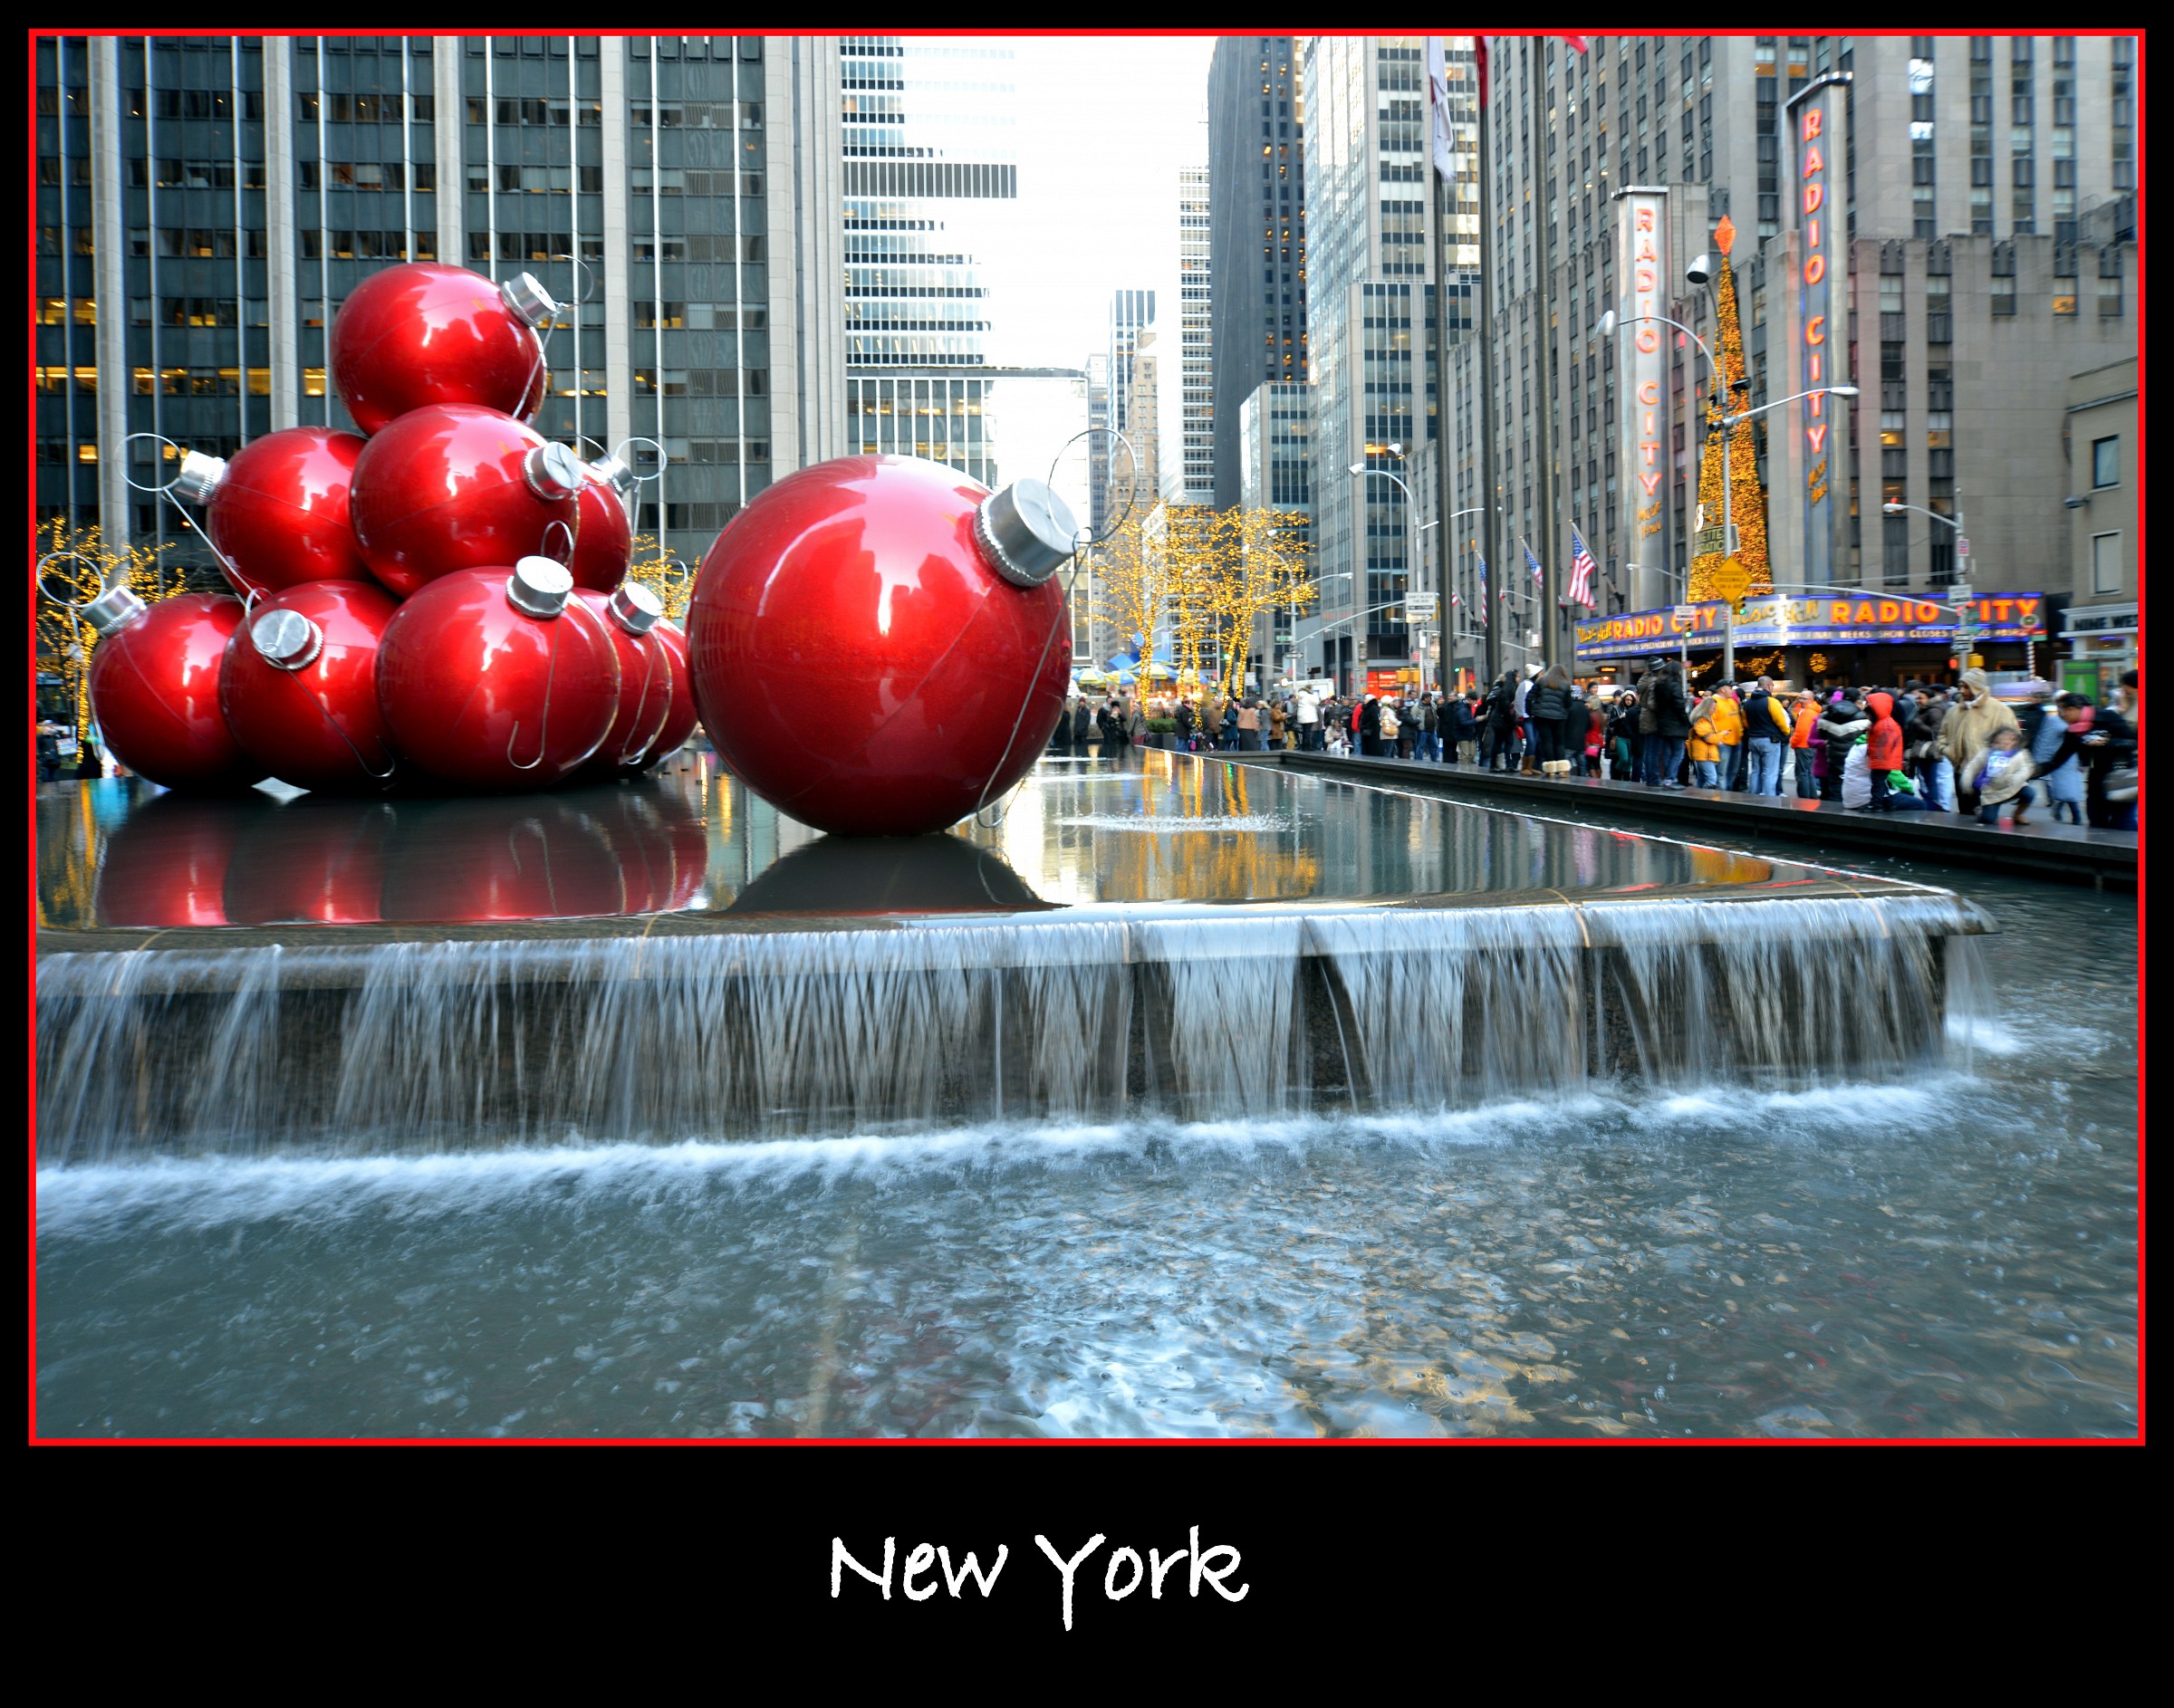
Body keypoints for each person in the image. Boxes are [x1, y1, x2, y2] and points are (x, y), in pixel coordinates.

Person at [1939, 667, 2022, 818]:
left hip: (1986, 774)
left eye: (1966, 686)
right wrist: (1948, 751)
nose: (1962, 691)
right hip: (1961, 771)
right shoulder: (1954, 711)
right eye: (1961, 686)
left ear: (1976, 687)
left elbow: (2013, 739)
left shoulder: (2000, 710)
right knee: (1965, 814)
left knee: (1984, 819)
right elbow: (1942, 735)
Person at [2032, 692, 2087, 824]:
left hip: (2064, 756)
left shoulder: (2055, 719)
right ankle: (2076, 815)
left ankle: (2059, 810)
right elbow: (2076, 733)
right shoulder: (2056, 720)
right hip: (2059, 757)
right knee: (2067, 786)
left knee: (2067, 785)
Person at [1968, 727, 2037, 826]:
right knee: (1988, 819)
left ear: (2014, 743)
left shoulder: (2019, 754)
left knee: (2030, 792)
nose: (2001, 746)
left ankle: (2018, 813)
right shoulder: (1987, 753)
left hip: (2013, 786)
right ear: (1992, 742)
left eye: (2006, 744)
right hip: (1993, 792)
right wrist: (1967, 779)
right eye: (1997, 743)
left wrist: (2017, 778)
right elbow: (1973, 766)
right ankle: (1982, 812)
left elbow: (2027, 768)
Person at [1739, 677, 1788, 796]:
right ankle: (1768, 798)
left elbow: (1745, 722)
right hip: (1769, 740)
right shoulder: (1772, 702)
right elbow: (1781, 722)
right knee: (1770, 771)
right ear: (1770, 686)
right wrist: (1786, 732)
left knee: (1756, 770)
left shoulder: (1748, 702)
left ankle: (1753, 795)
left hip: (1753, 739)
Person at [1817, 690, 1869, 802]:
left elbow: (1821, 735)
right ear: (1857, 700)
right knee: (1853, 784)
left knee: (1835, 785)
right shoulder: (1862, 716)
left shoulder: (1828, 713)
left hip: (1833, 755)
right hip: (1854, 757)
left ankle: (1835, 812)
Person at [1648, 660, 1691, 789]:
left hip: (1663, 723)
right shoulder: (1675, 685)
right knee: (1678, 753)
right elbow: (1679, 706)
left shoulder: (1659, 685)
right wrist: (1686, 721)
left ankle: (1667, 778)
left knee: (1667, 752)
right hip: (1675, 724)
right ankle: (1671, 779)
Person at [1528, 662, 1576, 777]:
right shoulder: (1565, 685)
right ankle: (1562, 770)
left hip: (1541, 716)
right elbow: (1568, 704)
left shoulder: (1541, 681)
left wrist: (1531, 711)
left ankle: (1550, 770)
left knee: (1547, 741)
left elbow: (1529, 697)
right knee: (1559, 742)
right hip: (1559, 717)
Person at [1709, 683, 1746, 791]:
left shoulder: (1732, 702)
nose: (1732, 691)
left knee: (1733, 772)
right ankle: (1721, 797)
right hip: (1723, 742)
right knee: (1722, 772)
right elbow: (1709, 721)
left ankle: (1727, 794)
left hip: (1736, 741)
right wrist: (1716, 738)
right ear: (1722, 689)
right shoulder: (1713, 702)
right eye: (1730, 688)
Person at [1787, 692, 1821, 800]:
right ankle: (1812, 797)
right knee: (1809, 773)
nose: (1801, 700)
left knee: (1803, 774)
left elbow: (1801, 732)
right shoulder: (1814, 711)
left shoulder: (1807, 713)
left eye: (1804, 698)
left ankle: (1804, 799)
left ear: (1811, 700)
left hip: (1803, 746)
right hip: (1810, 746)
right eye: (1800, 698)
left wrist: (1793, 741)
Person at [1687, 692, 1721, 788]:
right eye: (1713, 708)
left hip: (1703, 754)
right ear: (1707, 708)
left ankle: (1699, 798)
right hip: (1704, 755)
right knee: (1711, 780)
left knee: (1702, 779)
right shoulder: (1702, 721)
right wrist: (1722, 735)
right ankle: (1705, 798)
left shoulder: (1703, 719)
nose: (1714, 711)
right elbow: (1709, 738)